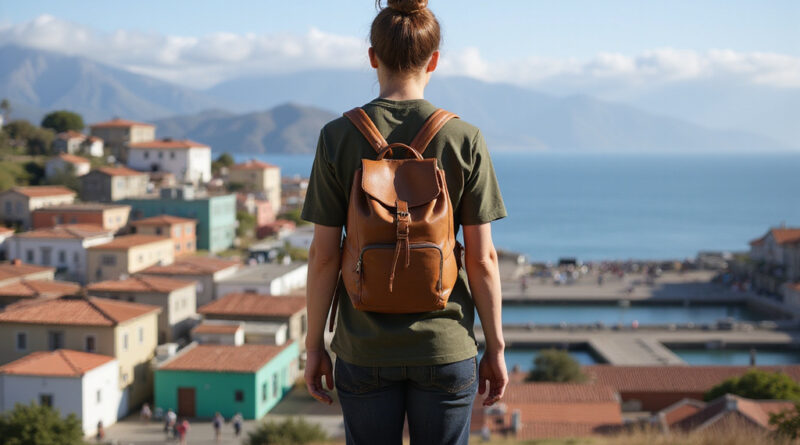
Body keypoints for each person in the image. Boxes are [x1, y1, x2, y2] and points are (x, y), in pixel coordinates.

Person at [302, 1, 508, 444]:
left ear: (373, 55)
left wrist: (314, 346)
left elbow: (323, 256)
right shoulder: (463, 138)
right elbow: (483, 259)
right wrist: (496, 347)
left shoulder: (337, 137)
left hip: (363, 349)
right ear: (434, 60)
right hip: (445, 346)